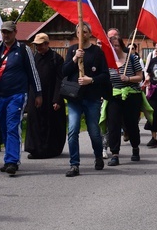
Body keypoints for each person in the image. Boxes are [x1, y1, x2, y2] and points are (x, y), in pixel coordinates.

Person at [0, 21, 42, 175]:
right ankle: (9, 158)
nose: (6, 35)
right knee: (3, 127)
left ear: (15, 32)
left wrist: (38, 93)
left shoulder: (23, 49)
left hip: (17, 94)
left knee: (12, 125)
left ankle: (12, 161)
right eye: (3, 32)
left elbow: (33, 72)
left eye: (8, 32)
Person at [62, 22, 111, 177]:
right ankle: (74, 164)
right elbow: (64, 71)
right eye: (79, 32)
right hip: (75, 98)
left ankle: (98, 155)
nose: (82, 35)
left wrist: (92, 80)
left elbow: (105, 75)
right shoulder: (72, 50)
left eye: (85, 32)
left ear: (90, 33)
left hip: (92, 97)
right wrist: (75, 58)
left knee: (94, 131)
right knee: (73, 130)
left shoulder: (97, 52)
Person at [25, 33, 66, 159]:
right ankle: (35, 149)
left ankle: (50, 149)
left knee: (51, 123)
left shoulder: (56, 58)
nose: (38, 48)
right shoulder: (33, 58)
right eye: (36, 45)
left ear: (47, 44)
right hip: (35, 95)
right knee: (35, 122)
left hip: (51, 95)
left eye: (40, 45)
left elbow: (61, 80)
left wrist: (57, 99)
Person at [106, 34, 144, 166]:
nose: (115, 49)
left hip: (131, 95)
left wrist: (128, 79)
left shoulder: (132, 59)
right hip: (114, 95)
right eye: (112, 46)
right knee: (113, 125)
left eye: (117, 46)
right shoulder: (107, 61)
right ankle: (115, 154)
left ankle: (135, 148)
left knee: (131, 124)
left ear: (122, 46)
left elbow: (140, 77)